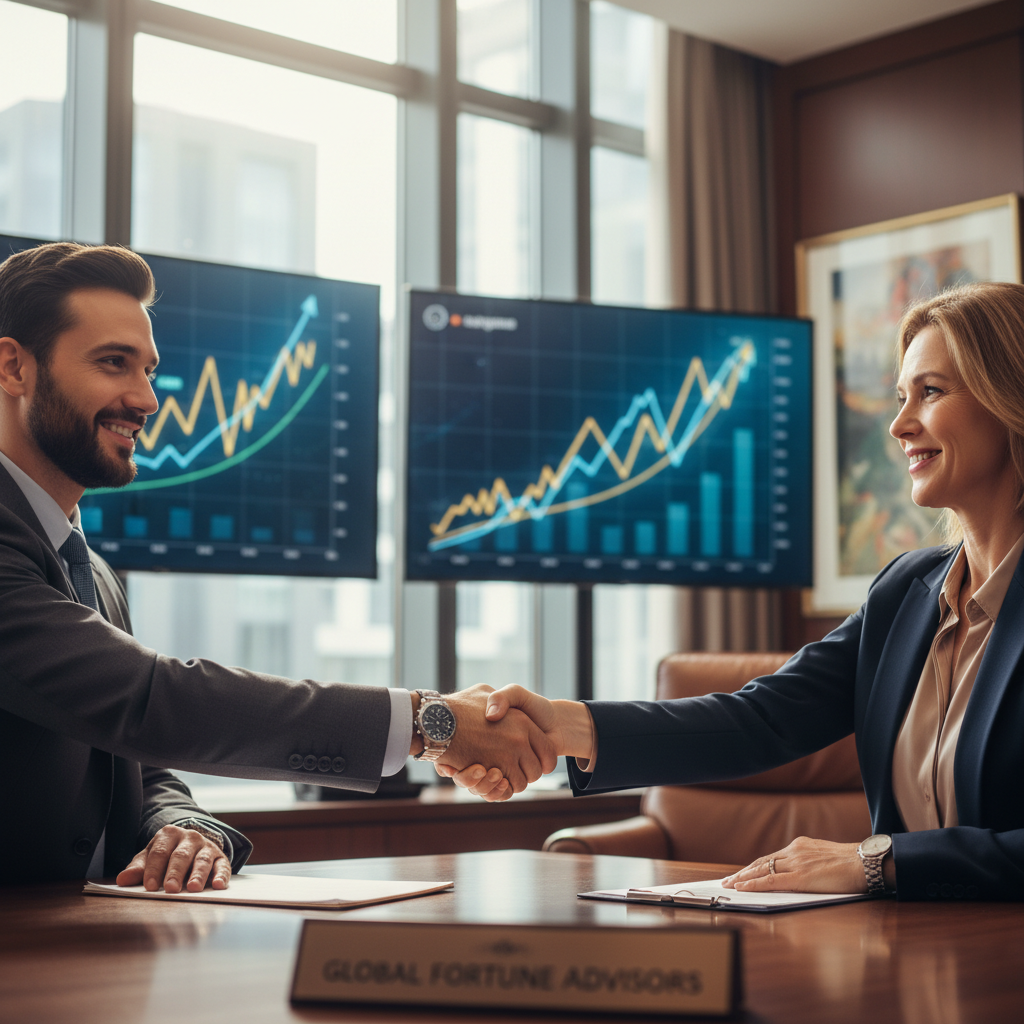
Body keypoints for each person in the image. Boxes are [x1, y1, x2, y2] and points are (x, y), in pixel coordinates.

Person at [0, 241, 554, 890]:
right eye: (114, 364)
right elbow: (151, 700)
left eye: (149, 370)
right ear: (13, 367)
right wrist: (433, 724)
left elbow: (139, 764)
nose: (147, 400)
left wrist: (186, 826)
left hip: (83, 956)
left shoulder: (90, 571)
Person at [445, 281, 1024, 901]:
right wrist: (559, 725)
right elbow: (759, 720)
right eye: (901, 396)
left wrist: (878, 861)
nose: (899, 424)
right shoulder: (905, 594)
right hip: (905, 956)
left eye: (930, 392)